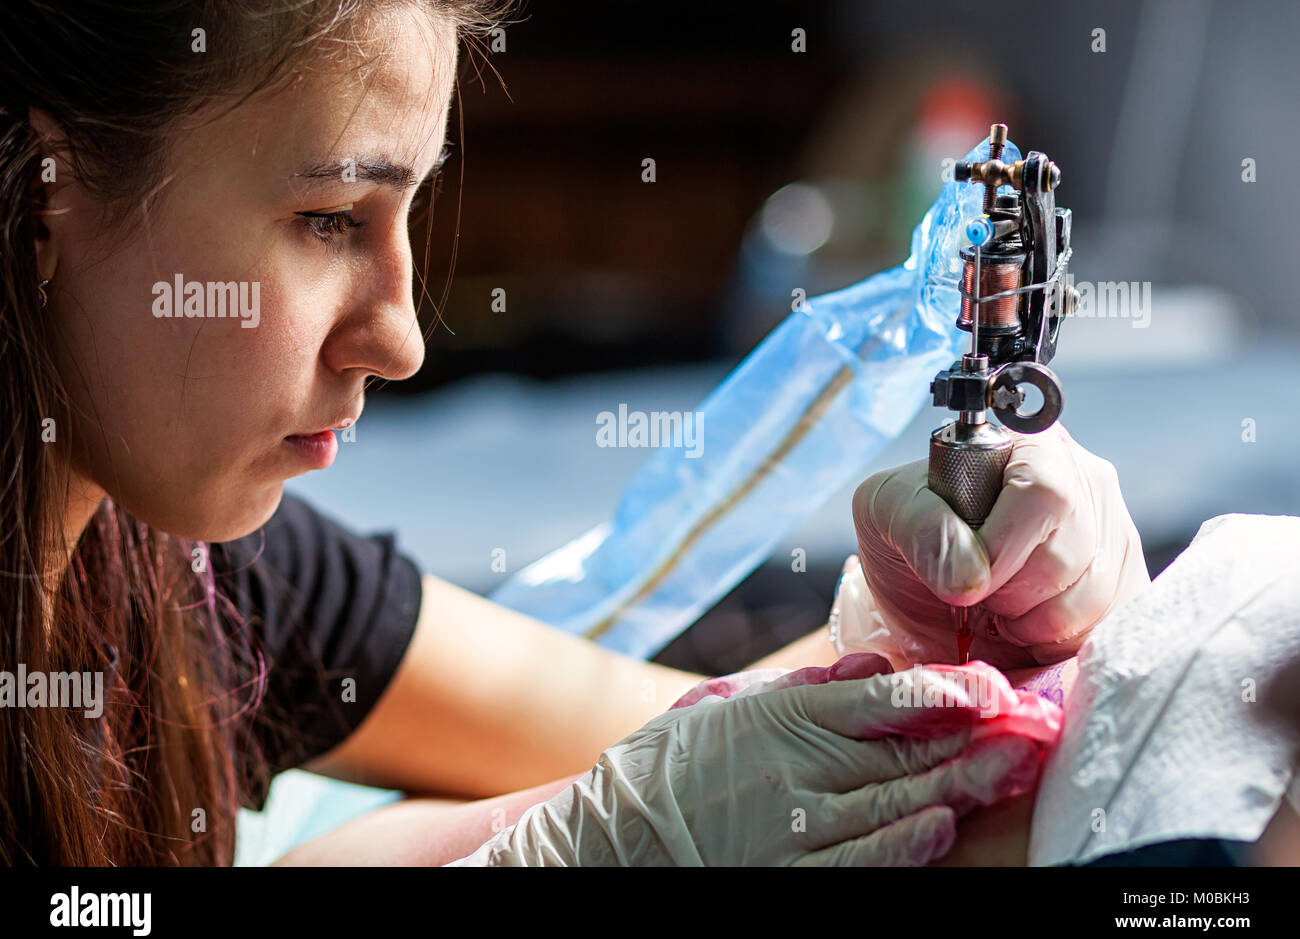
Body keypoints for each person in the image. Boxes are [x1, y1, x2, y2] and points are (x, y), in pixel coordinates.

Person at [0, 0, 1145, 866]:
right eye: (325, 220)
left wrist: (935, 635)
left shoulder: (205, 576)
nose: (400, 340)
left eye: (407, 215)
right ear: (49, 191)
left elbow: (644, 740)